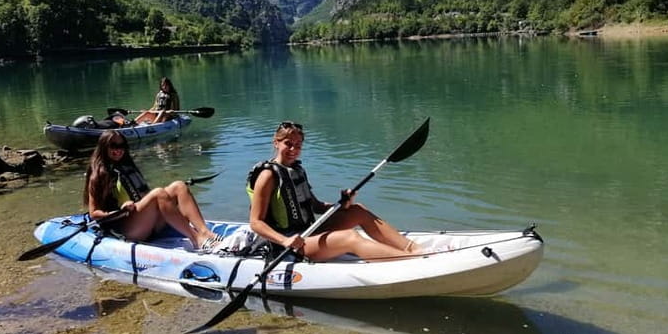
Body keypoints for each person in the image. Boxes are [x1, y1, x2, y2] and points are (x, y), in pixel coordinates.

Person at [247, 121, 419, 262]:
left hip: (308, 232)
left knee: (357, 210)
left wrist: (341, 204)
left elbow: (315, 206)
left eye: (298, 145)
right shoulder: (268, 175)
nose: (293, 150)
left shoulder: (296, 170)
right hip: (288, 244)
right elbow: (256, 222)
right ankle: (410, 261)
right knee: (349, 237)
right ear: (276, 143)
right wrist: (285, 241)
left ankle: (413, 249)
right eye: (288, 144)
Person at [84, 130, 221, 251]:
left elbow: (144, 196)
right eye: (114, 146)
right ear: (104, 147)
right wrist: (119, 210)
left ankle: (205, 232)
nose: (118, 150)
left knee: (179, 186)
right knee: (158, 193)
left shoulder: (126, 167)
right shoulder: (99, 175)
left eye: (122, 146)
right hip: (125, 228)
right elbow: (94, 213)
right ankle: (196, 239)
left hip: (143, 221)